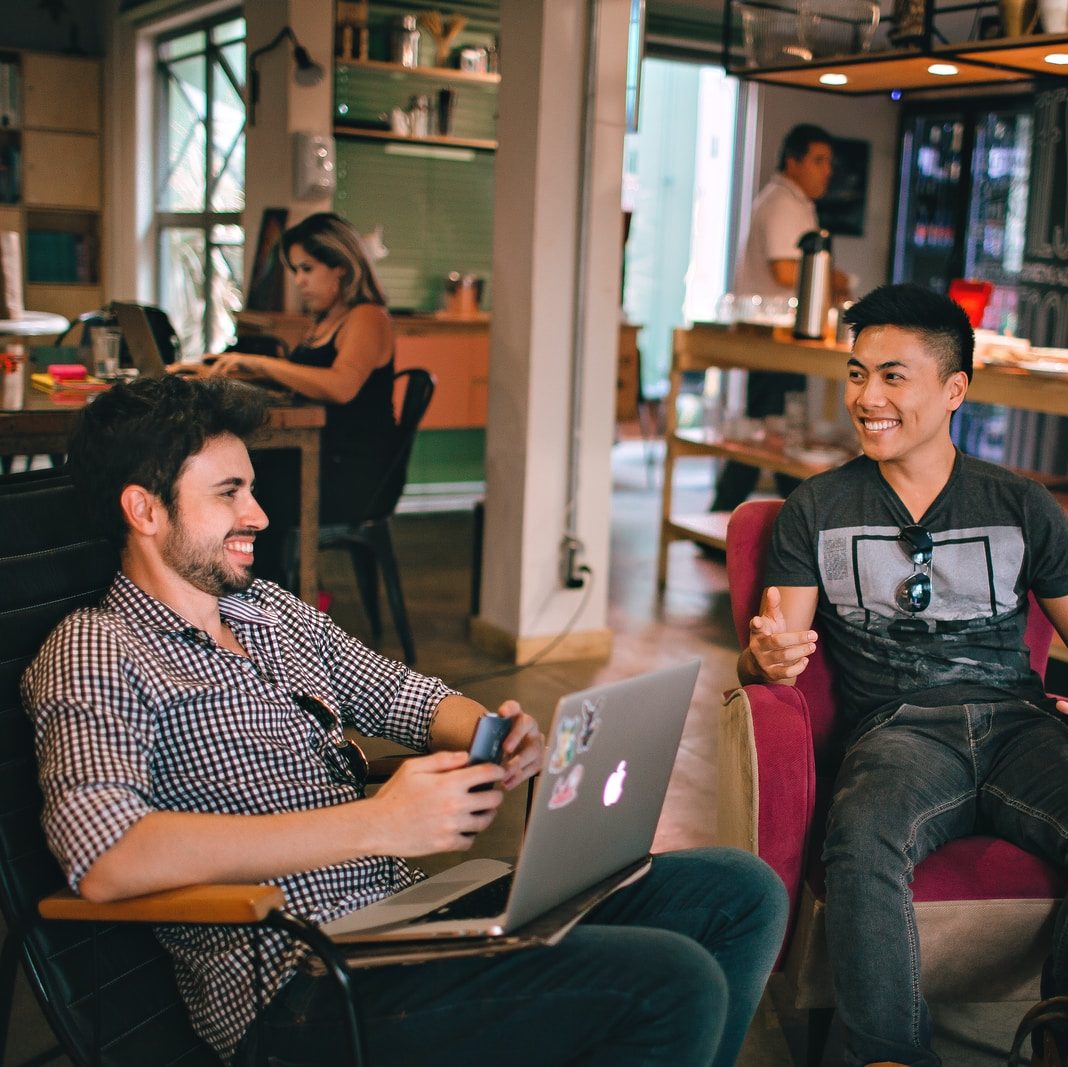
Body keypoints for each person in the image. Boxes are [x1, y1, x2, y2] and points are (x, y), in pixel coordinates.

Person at [23, 374, 788, 1067]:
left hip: (407, 922)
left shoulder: (267, 611)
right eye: (228, 493)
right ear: (144, 509)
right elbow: (106, 855)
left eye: (250, 488)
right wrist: (377, 823)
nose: (258, 513)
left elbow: (406, 696)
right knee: (671, 983)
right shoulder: (97, 648)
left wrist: (491, 733)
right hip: (300, 985)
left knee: (740, 892)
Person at [739, 282, 1068, 1067]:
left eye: (893, 376)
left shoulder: (1021, 505)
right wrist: (762, 659)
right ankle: (889, 1055)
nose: (867, 398)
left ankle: (1055, 1034)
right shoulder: (816, 507)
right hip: (899, 732)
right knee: (861, 837)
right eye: (857, 374)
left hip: (1020, 724)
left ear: (954, 389)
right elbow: (773, 647)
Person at [208, 212, 399, 583]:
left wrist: (259, 364)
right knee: (237, 478)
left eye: (307, 269)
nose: (299, 281)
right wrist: (223, 369)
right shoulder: (326, 320)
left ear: (341, 267)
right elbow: (305, 380)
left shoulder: (368, 317)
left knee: (247, 490)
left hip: (352, 473)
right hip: (323, 456)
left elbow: (341, 386)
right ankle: (247, 591)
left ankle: (264, 595)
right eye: (296, 270)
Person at [710, 124, 849, 516]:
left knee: (776, 430)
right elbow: (786, 270)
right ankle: (764, 518)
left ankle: (784, 516)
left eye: (829, 162)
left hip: (783, 337)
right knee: (772, 432)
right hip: (774, 337)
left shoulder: (794, 202)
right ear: (793, 161)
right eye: (818, 161)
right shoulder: (783, 202)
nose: (827, 171)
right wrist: (835, 278)